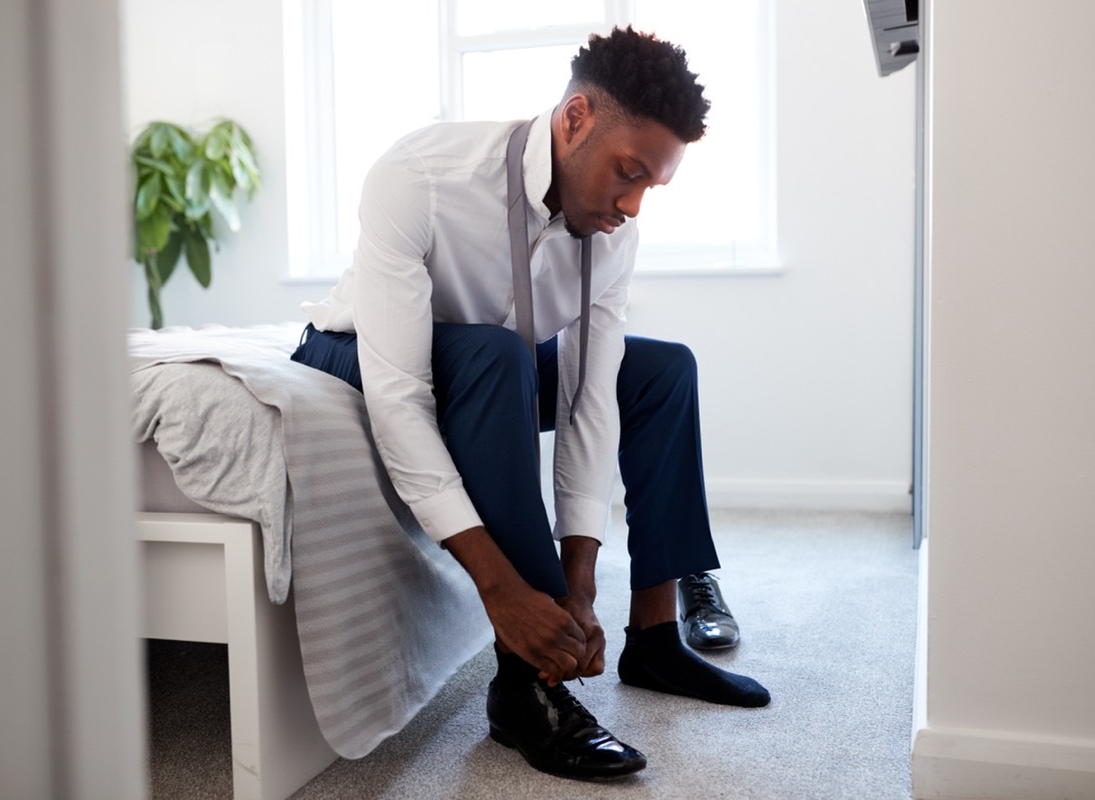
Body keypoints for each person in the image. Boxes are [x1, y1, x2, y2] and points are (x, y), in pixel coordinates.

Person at [292, 26, 768, 781]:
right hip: (357, 349)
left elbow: (588, 400)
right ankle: (524, 687)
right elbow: (401, 394)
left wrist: (581, 577)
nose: (635, 204)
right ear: (575, 119)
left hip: (495, 359)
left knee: (661, 372)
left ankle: (653, 640)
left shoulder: (612, 233)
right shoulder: (419, 176)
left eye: (653, 184)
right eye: (627, 172)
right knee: (496, 353)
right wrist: (503, 589)